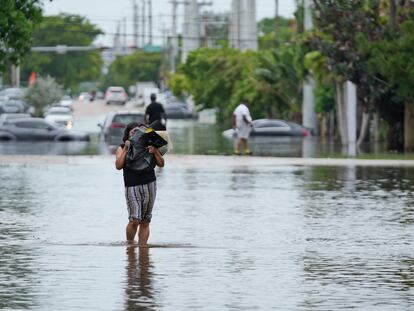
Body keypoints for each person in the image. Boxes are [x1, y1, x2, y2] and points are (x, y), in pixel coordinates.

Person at [115, 122, 165, 245]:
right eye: (133, 132)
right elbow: (118, 166)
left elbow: (161, 164)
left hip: (149, 184)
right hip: (131, 185)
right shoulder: (122, 147)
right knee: (134, 220)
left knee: (145, 220)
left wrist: (155, 152)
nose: (136, 134)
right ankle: (130, 245)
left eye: (138, 131)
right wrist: (126, 149)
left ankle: (143, 249)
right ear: (128, 134)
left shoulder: (149, 146)